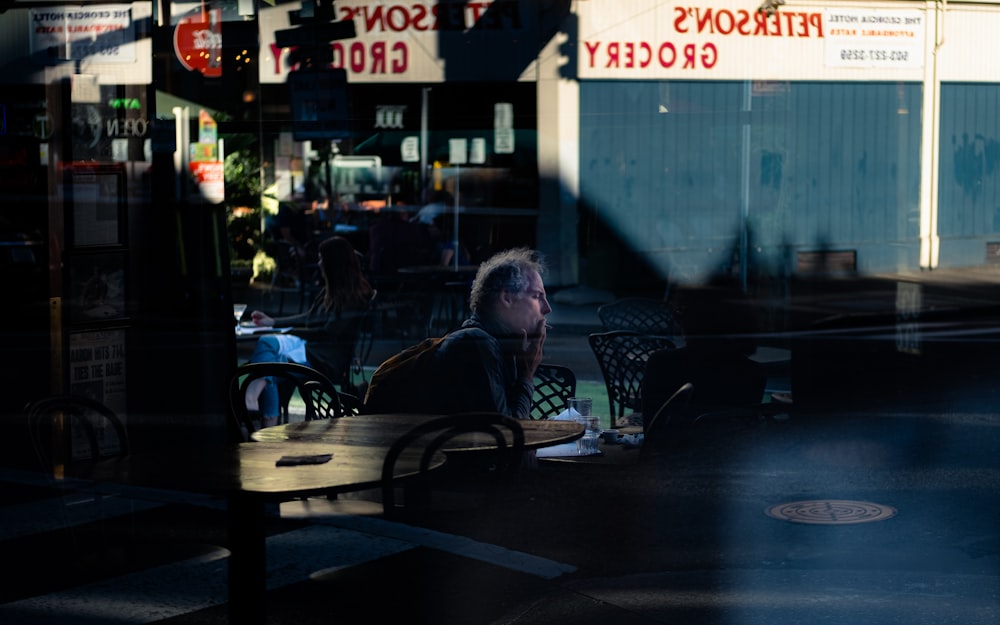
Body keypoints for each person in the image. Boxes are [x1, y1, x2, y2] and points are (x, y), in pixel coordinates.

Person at [364, 247, 551, 419]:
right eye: (536, 296)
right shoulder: (477, 344)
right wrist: (526, 376)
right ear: (507, 298)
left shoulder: (490, 343)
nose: (547, 308)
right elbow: (510, 440)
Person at [245, 236, 375, 426]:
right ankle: (266, 418)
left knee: (267, 352)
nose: (319, 263)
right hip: (312, 351)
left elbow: (325, 332)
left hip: (324, 360)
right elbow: (309, 317)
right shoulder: (333, 290)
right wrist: (273, 322)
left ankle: (261, 413)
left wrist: (287, 332)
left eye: (322, 259)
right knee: (269, 362)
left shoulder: (351, 296)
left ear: (333, 264)